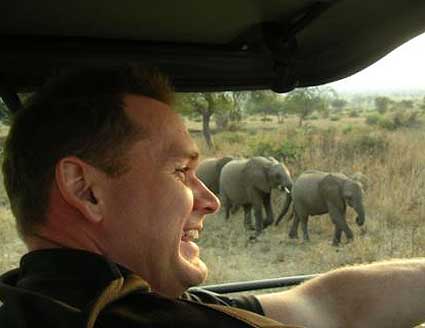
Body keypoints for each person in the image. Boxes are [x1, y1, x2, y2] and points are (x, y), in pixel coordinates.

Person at [0, 65, 425, 328]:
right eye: (180, 171)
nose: (211, 200)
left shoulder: (31, 297)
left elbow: (331, 305)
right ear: (85, 189)